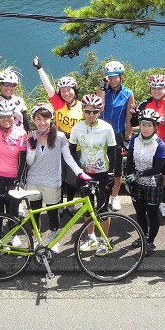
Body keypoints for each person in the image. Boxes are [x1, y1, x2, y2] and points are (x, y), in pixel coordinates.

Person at [25, 104, 87, 252]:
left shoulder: (59, 137)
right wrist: (32, 148)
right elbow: (29, 162)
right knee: (35, 212)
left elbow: (68, 157)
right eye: (38, 118)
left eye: (45, 118)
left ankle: (54, 238)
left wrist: (79, 172)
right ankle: (35, 238)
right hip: (33, 180)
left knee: (53, 213)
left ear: (51, 118)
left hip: (52, 181)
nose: (42, 122)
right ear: (33, 119)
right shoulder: (31, 136)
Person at [130, 74, 165, 219]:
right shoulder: (145, 104)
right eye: (154, 88)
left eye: (160, 88)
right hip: (147, 146)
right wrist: (135, 116)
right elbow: (134, 123)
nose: (156, 91)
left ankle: (163, 203)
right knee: (149, 174)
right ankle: (148, 201)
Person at [33, 56, 84, 213]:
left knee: (72, 177)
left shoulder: (83, 106)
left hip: (76, 147)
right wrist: (39, 68)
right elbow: (48, 86)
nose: (66, 93)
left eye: (69, 90)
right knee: (58, 176)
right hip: (58, 144)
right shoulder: (58, 104)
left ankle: (69, 203)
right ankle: (58, 204)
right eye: (63, 90)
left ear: (75, 90)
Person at [69, 94, 117, 256]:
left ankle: (104, 240)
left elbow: (113, 152)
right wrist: (78, 171)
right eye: (87, 111)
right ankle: (91, 238)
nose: (90, 115)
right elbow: (71, 151)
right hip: (85, 173)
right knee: (87, 207)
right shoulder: (77, 128)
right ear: (82, 110)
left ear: (100, 111)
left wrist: (112, 173)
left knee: (103, 208)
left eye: (94, 112)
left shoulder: (106, 128)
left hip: (103, 172)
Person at [0, 98, 28, 242]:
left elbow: (23, 159)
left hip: (13, 177)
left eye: (9, 115)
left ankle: (13, 236)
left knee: (13, 211)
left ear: (13, 116)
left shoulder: (21, 133)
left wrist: (19, 179)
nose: (6, 119)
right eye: (2, 116)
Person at [125, 109, 165, 256]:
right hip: (137, 184)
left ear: (155, 126)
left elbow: (157, 168)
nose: (146, 128)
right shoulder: (135, 139)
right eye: (143, 124)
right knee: (140, 213)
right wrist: (128, 175)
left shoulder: (159, 144)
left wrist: (138, 174)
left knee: (152, 214)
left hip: (153, 184)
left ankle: (151, 241)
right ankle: (143, 236)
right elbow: (130, 159)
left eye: (149, 125)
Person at [97, 61, 135, 212]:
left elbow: (129, 117)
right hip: (101, 135)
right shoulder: (103, 91)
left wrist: (128, 136)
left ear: (121, 77)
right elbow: (98, 108)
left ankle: (115, 196)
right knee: (100, 165)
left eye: (115, 77)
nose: (113, 80)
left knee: (117, 168)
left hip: (118, 134)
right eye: (109, 77)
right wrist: (101, 87)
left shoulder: (128, 94)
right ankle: (101, 195)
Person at [0, 54, 30, 131]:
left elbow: (26, 121)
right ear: (0, 85)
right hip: (2, 137)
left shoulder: (19, 100)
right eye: (6, 84)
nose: (9, 88)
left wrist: (30, 137)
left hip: (20, 137)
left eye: (12, 85)